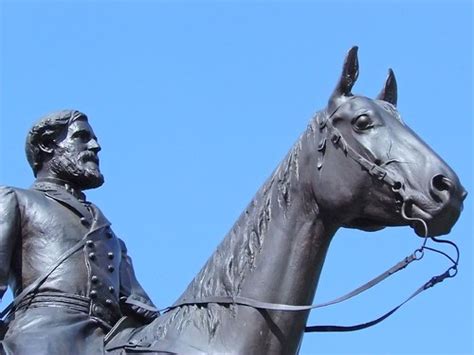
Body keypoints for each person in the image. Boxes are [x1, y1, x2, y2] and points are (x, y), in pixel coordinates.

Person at [0, 110, 158, 354]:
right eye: (82, 137)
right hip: (41, 340)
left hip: (105, 343)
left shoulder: (110, 235)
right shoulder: (17, 200)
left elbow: (141, 307)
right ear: (46, 145)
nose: (95, 146)